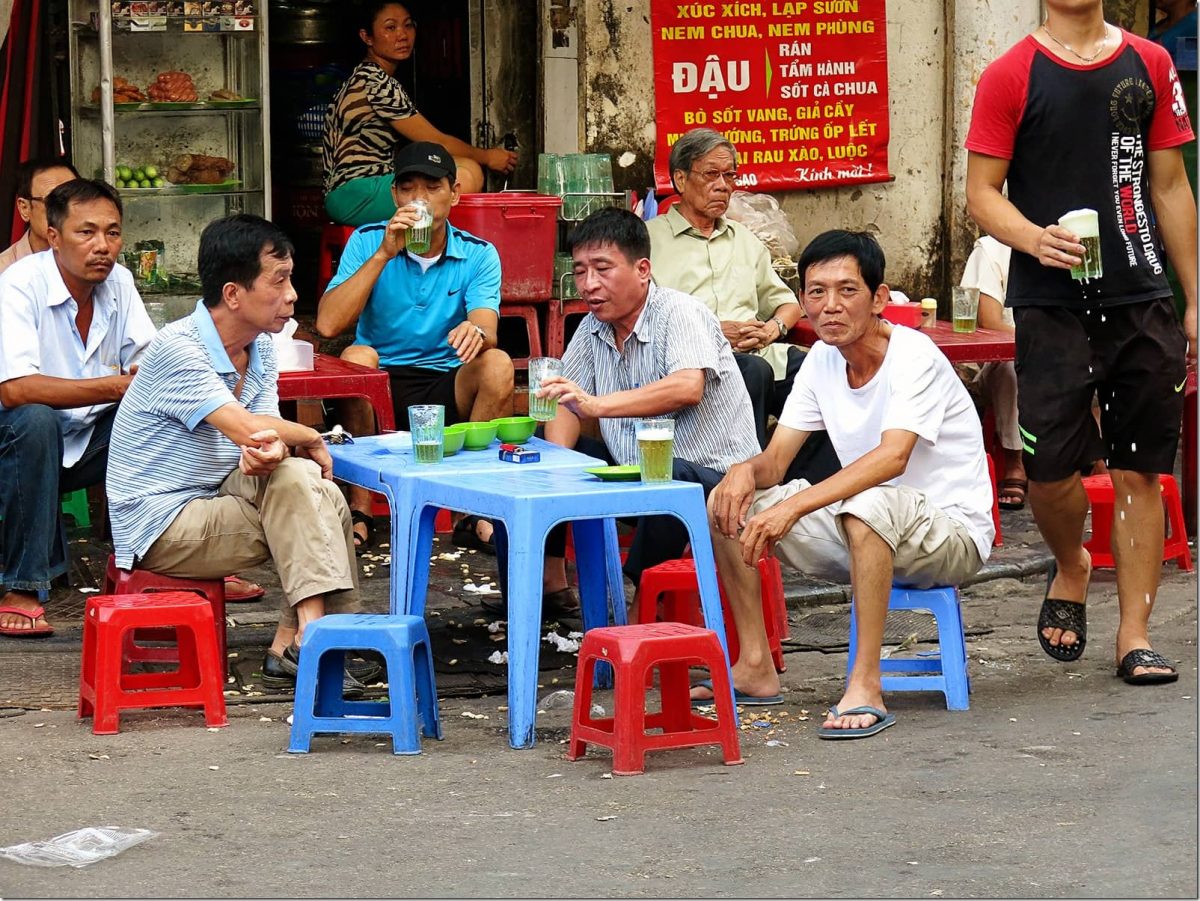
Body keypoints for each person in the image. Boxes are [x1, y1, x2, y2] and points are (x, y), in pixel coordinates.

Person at [965, 0, 1195, 684]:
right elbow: (982, 191)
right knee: (1049, 472)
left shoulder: (1149, 62)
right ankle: (1071, 561)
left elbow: (1172, 184)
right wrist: (1033, 238)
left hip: (1141, 297)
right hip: (1051, 304)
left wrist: (1195, 299)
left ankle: (1135, 632)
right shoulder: (1011, 73)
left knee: (1140, 469)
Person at [700, 230, 994, 737]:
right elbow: (774, 462)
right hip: (867, 527)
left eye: (847, 290)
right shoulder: (820, 361)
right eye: (816, 292)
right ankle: (754, 664)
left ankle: (865, 684)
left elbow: (891, 458)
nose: (829, 306)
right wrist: (741, 474)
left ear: (879, 298)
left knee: (867, 505)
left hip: (950, 535)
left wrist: (793, 508)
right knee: (728, 506)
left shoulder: (914, 355)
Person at [106, 214, 374, 694]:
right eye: (279, 280)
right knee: (317, 498)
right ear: (233, 294)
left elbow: (263, 436)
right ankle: (313, 641)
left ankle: (300, 645)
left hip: (221, 494)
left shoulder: (262, 348)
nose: (293, 295)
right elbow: (247, 426)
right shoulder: (176, 349)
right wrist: (306, 438)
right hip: (162, 521)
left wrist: (268, 452)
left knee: (300, 484)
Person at [531, 207, 760, 613]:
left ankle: (644, 603)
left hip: (714, 483)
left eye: (602, 269)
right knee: (538, 452)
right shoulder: (592, 327)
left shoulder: (680, 313)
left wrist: (597, 405)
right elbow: (566, 400)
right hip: (634, 471)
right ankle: (548, 584)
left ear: (642, 269)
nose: (589, 284)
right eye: (581, 271)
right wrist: (558, 468)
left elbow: (688, 387)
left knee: (666, 475)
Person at [316, 140, 514, 552]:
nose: (419, 199)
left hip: (444, 381)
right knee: (355, 356)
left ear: (454, 194)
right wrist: (385, 254)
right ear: (394, 196)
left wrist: (475, 333)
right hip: (380, 383)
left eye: (432, 187)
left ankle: (471, 509)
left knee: (496, 364)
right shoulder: (369, 241)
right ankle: (361, 511)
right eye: (408, 188)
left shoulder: (478, 254)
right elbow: (329, 323)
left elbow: (485, 325)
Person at [0, 178, 155, 637]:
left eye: (112, 232)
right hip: (16, 440)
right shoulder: (18, 285)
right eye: (86, 233)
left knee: (169, 419)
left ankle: (180, 559)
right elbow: (16, 391)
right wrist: (114, 386)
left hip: (84, 440)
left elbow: (146, 363)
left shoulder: (120, 282)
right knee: (35, 419)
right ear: (53, 236)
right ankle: (21, 587)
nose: (102, 246)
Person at [646, 128, 840, 485]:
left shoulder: (744, 239)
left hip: (760, 353)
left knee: (833, 371)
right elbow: (643, 319)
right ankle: (743, 487)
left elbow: (785, 303)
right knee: (751, 372)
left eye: (730, 175)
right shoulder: (650, 241)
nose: (723, 185)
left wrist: (773, 329)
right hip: (695, 364)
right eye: (711, 175)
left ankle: (804, 491)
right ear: (680, 178)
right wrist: (712, 331)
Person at [322, 0, 517, 226]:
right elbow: (435, 142)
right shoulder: (376, 83)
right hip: (355, 193)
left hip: (354, 192)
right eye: (390, 27)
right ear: (367, 37)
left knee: (455, 174)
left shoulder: (365, 76)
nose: (403, 35)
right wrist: (488, 156)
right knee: (465, 175)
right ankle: (432, 251)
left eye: (408, 25)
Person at [957, 235, 1027, 508]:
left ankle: (1099, 464)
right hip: (997, 368)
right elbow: (991, 322)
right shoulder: (993, 248)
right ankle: (1014, 459)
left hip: (1056, 358)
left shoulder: (1073, 239)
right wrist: (1041, 342)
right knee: (1010, 364)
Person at [0, 158, 80, 275]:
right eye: (53, 200)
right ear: (24, 208)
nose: (67, 209)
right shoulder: (5, 272)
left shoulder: (94, 263)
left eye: (74, 199)